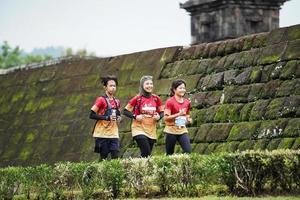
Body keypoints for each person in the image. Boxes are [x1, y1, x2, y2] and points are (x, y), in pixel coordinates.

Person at [123, 75, 164, 157]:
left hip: (151, 129)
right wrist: (135, 116)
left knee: (146, 156)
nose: (149, 86)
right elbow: (125, 111)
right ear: (142, 85)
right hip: (138, 128)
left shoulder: (156, 98)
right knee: (146, 151)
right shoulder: (137, 98)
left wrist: (159, 117)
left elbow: (162, 112)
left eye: (151, 84)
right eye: (147, 84)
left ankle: (139, 168)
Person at [89, 75, 121, 160]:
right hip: (102, 132)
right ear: (105, 87)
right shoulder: (101, 100)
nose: (113, 88)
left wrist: (118, 118)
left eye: (114, 86)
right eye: (110, 86)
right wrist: (106, 117)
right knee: (104, 156)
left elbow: (118, 114)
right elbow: (91, 115)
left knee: (115, 154)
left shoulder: (117, 101)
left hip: (114, 132)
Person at [163, 79, 192, 155]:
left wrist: (188, 119)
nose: (183, 90)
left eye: (184, 88)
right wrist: (178, 114)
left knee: (188, 151)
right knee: (169, 154)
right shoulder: (170, 102)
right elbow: (166, 118)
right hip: (171, 130)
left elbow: (187, 114)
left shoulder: (187, 102)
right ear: (174, 89)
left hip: (182, 129)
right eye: (180, 88)